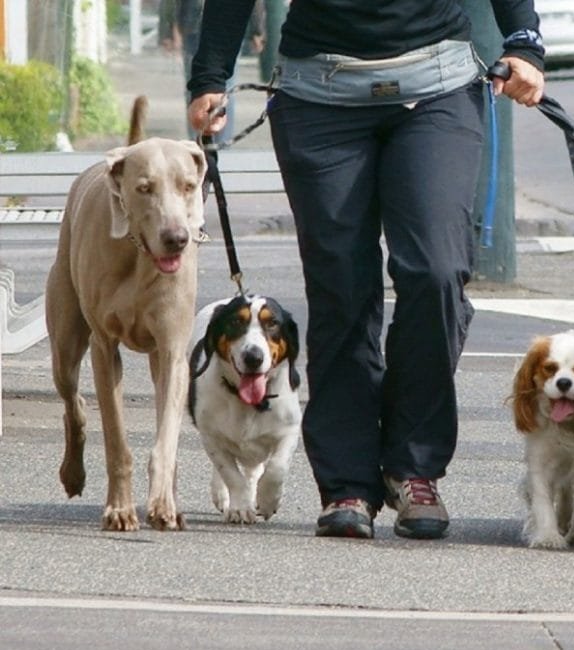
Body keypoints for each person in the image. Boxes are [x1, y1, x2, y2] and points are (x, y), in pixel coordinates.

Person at [187, 0, 545, 540]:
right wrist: (212, 74)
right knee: (341, 288)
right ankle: (346, 482)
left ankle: (413, 468)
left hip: (438, 90)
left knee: (436, 271)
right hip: (317, 96)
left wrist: (523, 41)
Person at [159, 0, 265, 142]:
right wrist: (168, 31)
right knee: (199, 87)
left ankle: (218, 138)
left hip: (224, 27)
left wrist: (257, 29)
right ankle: (200, 138)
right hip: (192, 27)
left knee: (221, 86)